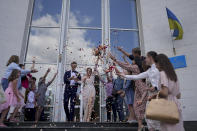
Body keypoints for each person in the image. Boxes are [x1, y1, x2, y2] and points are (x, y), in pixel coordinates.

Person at [117, 51, 160, 131]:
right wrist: (124, 76)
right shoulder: (149, 71)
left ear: (150, 58)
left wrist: (156, 87)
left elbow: (163, 82)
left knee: (157, 119)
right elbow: (137, 76)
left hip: (158, 95)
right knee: (150, 119)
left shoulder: (159, 69)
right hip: (151, 96)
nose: (145, 59)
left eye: (147, 57)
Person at [155, 54, 185, 131]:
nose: (155, 66)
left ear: (160, 63)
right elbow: (178, 95)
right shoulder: (173, 75)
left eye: (156, 63)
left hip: (166, 105)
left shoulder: (162, 73)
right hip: (175, 104)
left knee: (168, 128)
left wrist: (156, 94)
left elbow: (165, 92)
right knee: (177, 127)